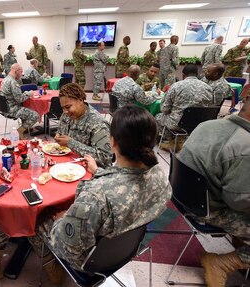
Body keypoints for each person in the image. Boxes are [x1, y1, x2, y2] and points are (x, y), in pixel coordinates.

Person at [32, 105, 171, 273]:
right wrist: (98, 171)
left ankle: (53, 269)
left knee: (34, 216)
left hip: (90, 262)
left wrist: (62, 219)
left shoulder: (95, 195)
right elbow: (126, 184)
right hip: (128, 248)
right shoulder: (160, 175)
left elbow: (69, 248)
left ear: (112, 141)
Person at [178, 98, 250, 287]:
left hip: (185, 197)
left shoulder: (207, 125)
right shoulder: (246, 146)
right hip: (211, 211)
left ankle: (241, 244)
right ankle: (222, 264)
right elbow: (238, 200)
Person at [156, 64, 213, 151]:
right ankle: (183, 140)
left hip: (178, 123)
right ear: (197, 74)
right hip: (200, 123)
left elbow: (164, 109)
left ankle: (170, 141)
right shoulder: (208, 88)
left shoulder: (176, 86)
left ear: (183, 74)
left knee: (158, 117)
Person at [54, 83, 112, 168]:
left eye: (68, 107)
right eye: (63, 108)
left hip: (89, 171)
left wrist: (71, 143)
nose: (65, 111)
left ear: (80, 100)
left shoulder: (97, 123)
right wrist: (59, 137)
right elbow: (60, 132)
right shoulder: (67, 115)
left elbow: (106, 158)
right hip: (68, 164)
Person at [0, 63, 38, 139]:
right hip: (12, 109)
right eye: (21, 72)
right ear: (16, 71)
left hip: (4, 108)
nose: (21, 74)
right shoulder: (13, 82)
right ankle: (19, 131)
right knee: (35, 115)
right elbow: (20, 99)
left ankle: (26, 127)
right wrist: (29, 93)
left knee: (25, 108)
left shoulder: (5, 79)